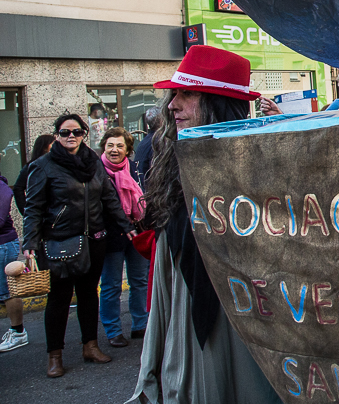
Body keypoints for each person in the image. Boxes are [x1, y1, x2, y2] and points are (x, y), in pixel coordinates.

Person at [130, 45, 279, 404]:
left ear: (217, 104)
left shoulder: (262, 170)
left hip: (245, 329)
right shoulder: (177, 166)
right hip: (189, 321)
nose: (172, 105)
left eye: (187, 93)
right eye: (174, 93)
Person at [22, 113, 136, 377]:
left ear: (84, 134)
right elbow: (34, 207)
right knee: (59, 299)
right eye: (64, 132)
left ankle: (90, 346)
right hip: (59, 243)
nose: (70, 136)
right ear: (57, 135)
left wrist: (127, 226)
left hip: (94, 240)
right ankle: (55, 356)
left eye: (76, 132)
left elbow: (109, 198)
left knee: (88, 294)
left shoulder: (93, 163)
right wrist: (30, 241)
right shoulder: (43, 166)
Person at [98, 127, 149, 348]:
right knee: (111, 285)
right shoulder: (97, 172)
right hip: (110, 235)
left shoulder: (135, 169)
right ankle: (113, 330)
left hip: (136, 231)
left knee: (139, 281)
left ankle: (141, 324)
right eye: (110, 145)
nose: (114, 150)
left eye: (120, 145)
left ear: (128, 149)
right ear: (104, 147)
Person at [0, 174, 27, 352]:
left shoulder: (1, 187)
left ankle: (18, 332)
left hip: (2, 245)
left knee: (6, 291)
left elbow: (0, 220)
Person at [11, 135, 55, 215]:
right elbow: (18, 188)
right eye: (53, 144)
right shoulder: (31, 167)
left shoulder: (58, 165)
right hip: (40, 214)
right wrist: (26, 211)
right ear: (44, 147)